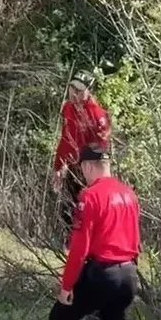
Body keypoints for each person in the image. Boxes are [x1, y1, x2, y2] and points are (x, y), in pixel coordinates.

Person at [47, 144, 141, 320]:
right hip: (128, 273)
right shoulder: (129, 194)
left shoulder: (90, 196)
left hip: (103, 273)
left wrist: (67, 286)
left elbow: (79, 247)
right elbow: (136, 240)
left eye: (82, 169)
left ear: (88, 166)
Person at [52, 75, 111, 229]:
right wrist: (58, 165)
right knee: (68, 207)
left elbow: (101, 148)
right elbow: (65, 139)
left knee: (86, 209)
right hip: (72, 167)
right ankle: (68, 245)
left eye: (79, 90)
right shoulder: (68, 108)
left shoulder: (97, 115)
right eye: (72, 89)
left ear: (88, 91)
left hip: (90, 169)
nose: (74, 94)